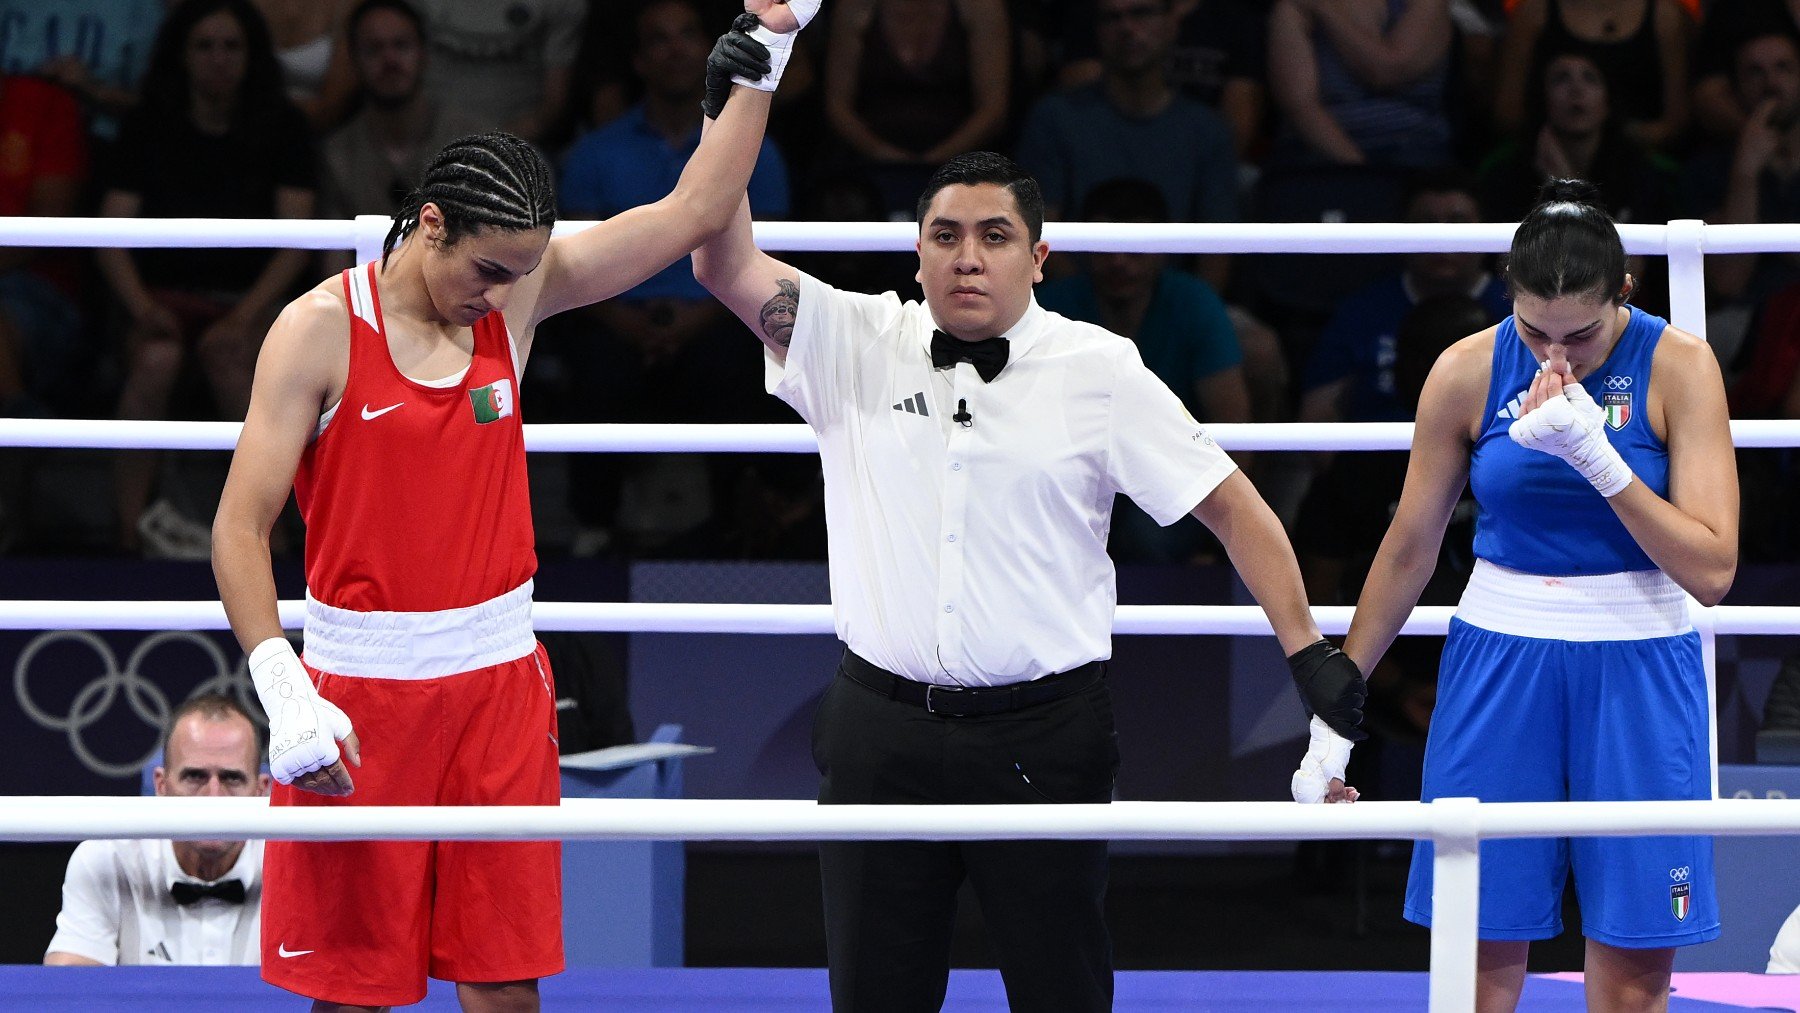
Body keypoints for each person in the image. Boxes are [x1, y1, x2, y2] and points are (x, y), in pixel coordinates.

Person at [209, 5, 812, 1009]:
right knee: (354, 991)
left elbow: (699, 207)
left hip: (497, 686)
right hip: (359, 692)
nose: (502, 295)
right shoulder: (314, 331)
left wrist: (767, 57)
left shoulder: (516, 297)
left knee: (504, 985)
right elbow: (239, 524)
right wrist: (282, 684)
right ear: (430, 222)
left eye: (523, 273)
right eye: (488, 269)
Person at [693, 149, 1365, 1011]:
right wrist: (750, 80)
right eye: (946, 235)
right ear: (918, 253)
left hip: (1044, 737)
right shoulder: (853, 338)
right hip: (880, 734)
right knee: (873, 996)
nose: (968, 255)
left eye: (994, 235)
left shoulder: (1100, 368)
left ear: (1038, 257)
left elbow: (1235, 507)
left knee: (1062, 992)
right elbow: (718, 259)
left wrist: (1308, 654)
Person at [1340, 178, 1737, 1012]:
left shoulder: (1681, 366)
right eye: (1536, 331)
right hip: (1500, 654)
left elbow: (1711, 569)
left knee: (1634, 973)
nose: (1558, 356)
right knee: (1478, 960)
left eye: (1583, 334)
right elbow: (1410, 545)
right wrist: (1337, 692)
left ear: (1625, 291)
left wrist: (1601, 461)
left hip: (1639, 659)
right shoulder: (1466, 367)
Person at [97, 0, 319, 558]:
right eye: (204, 46)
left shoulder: (284, 125)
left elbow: (298, 241)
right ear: (181, 55)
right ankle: (127, 537)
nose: (218, 59)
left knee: (231, 359)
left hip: (250, 305)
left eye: (231, 46)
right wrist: (143, 308)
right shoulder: (148, 123)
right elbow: (108, 233)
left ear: (251, 56)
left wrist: (244, 319)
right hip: (161, 300)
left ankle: (274, 543)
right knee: (154, 359)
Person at [45, 693, 270, 967]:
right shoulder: (107, 859)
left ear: (261, 791)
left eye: (232, 778)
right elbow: (69, 993)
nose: (214, 797)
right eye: (195, 776)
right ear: (161, 786)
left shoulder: (299, 870)